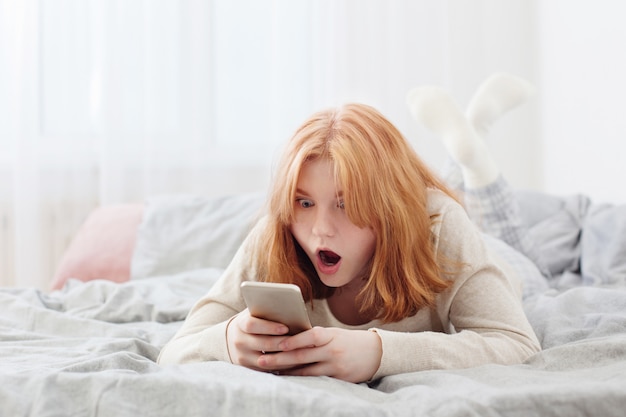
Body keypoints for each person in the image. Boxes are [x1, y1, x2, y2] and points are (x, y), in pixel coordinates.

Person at [158, 75, 542, 383]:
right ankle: (466, 144)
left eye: (345, 204)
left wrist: (378, 353)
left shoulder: (440, 225)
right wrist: (225, 341)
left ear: (388, 208)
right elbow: (176, 350)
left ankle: (477, 141)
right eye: (305, 202)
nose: (320, 231)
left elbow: (517, 342)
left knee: (505, 235)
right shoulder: (274, 233)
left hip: (505, 264)